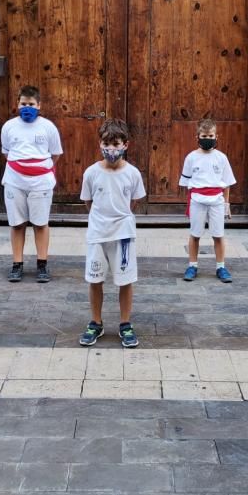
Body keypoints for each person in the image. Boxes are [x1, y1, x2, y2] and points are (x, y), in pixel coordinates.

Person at [78, 119, 146, 348]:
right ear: (100, 144)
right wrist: (101, 219)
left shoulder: (133, 173)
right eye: (107, 143)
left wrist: (120, 217)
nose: (111, 149)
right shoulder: (91, 172)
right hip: (98, 233)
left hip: (123, 234)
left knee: (125, 280)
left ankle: (125, 324)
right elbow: (88, 201)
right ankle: (95, 322)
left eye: (116, 144)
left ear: (126, 145)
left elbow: (134, 201)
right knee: (95, 279)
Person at [0, 85, 63, 282]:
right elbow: (6, 152)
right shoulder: (9, 127)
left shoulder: (48, 127)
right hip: (14, 180)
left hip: (41, 182)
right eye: (23, 104)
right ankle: (17, 264)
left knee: (40, 223)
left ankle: (42, 264)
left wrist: (41, 170)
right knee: (17, 224)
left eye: (31, 104)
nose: (27, 107)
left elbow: (56, 154)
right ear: (17, 104)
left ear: (39, 105)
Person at [179, 118, 237, 283]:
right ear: (197, 136)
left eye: (211, 135)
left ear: (216, 137)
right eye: (204, 135)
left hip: (217, 200)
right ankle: (192, 265)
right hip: (197, 199)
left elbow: (226, 183)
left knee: (218, 235)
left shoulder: (221, 158)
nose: (208, 138)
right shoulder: (191, 158)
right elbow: (187, 184)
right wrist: (190, 203)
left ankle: (220, 266)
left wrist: (226, 204)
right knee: (195, 234)